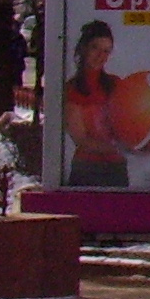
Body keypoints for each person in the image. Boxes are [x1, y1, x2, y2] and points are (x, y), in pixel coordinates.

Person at [62, 19, 126, 188]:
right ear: (83, 48)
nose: (101, 56)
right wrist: (118, 148)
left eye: (106, 51)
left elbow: (137, 114)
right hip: (87, 169)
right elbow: (80, 138)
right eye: (95, 47)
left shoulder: (115, 84)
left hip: (117, 168)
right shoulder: (73, 89)